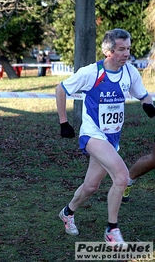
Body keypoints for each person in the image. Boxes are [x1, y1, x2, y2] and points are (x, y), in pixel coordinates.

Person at [55, 28, 155, 246]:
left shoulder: (130, 72)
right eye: (121, 49)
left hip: (112, 139)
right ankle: (112, 230)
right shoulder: (91, 72)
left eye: (128, 48)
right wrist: (64, 122)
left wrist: (148, 105)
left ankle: (67, 212)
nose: (126, 53)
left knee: (91, 186)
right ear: (108, 52)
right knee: (121, 176)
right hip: (92, 135)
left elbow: (142, 94)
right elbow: (60, 89)